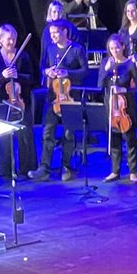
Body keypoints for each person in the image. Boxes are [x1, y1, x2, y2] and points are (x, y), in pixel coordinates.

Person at [28, 20, 87, 182]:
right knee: (48, 132)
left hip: (69, 97)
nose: (52, 36)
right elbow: (42, 67)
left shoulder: (76, 49)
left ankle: (66, 166)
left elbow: (84, 71)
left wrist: (66, 72)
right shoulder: (50, 48)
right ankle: (44, 167)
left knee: (69, 133)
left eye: (55, 32)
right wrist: (47, 71)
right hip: (52, 97)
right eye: (51, 33)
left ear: (65, 32)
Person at [0, 25, 36, 179]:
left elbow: (32, 78)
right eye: (8, 39)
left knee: (25, 134)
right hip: (2, 102)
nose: (12, 41)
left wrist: (17, 75)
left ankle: (27, 169)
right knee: (3, 136)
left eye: (13, 38)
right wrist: (2, 76)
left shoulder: (23, 56)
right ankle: (5, 169)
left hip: (21, 101)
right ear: (0, 40)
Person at [99, 34, 137, 184]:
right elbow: (99, 86)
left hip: (126, 107)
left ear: (123, 47)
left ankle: (133, 171)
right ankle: (115, 171)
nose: (114, 51)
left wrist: (125, 91)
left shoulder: (130, 64)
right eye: (111, 48)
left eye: (117, 47)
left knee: (130, 140)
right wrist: (105, 70)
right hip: (110, 107)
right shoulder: (106, 63)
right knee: (114, 140)